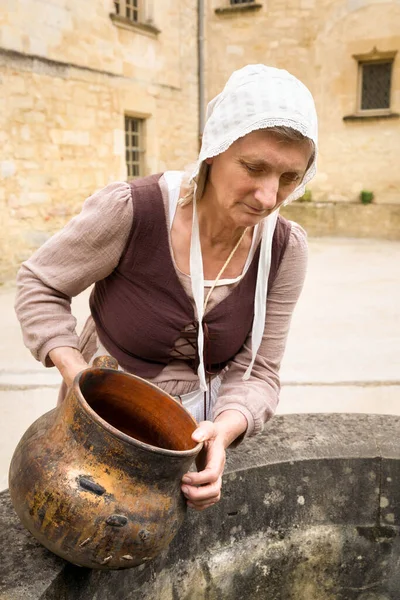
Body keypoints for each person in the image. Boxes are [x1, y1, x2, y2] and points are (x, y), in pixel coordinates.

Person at [15, 64, 318, 512]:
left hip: (196, 431)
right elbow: (40, 283)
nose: (269, 197)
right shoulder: (132, 211)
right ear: (211, 150)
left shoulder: (284, 249)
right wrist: (79, 374)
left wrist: (225, 429)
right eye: (254, 168)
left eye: (290, 178)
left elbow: (259, 371)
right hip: (102, 421)